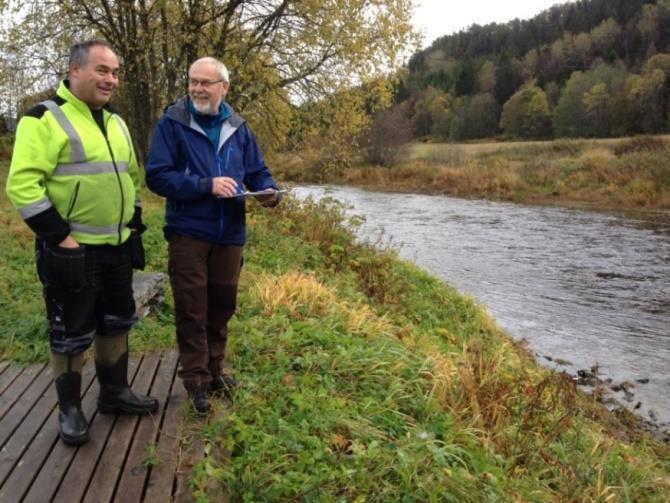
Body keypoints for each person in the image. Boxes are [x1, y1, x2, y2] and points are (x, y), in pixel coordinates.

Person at [5, 39, 159, 446]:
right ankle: (70, 410)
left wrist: (135, 224)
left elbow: (129, 178)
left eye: (115, 72)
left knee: (117, 321)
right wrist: (61, 238)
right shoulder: (43, 119)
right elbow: (22, 185)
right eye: (102, 70)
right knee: (71, 331)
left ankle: (114, 394)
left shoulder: (116, 121)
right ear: (75, 70)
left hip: (118, 246)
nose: (111, 79)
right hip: (72, 250)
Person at [145, 56, 281, 413]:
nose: (198, 89)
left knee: (222, 305)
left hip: (230, 234)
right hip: (189, 232)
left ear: (224, 87)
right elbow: (157, 176)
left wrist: (269, 191)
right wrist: (205, 185)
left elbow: (259, 172)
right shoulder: (172, 123)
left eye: (206, 83)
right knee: (192, 308)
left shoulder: (239, 127)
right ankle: (196, 382)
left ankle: (216, 370)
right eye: (193, 82)